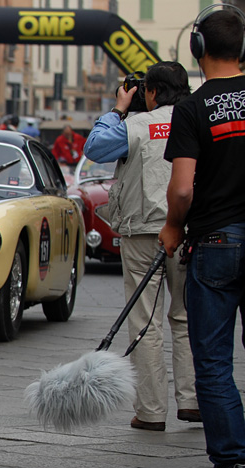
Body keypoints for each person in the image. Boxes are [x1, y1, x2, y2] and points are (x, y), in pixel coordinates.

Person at [84, 61, 198, 433]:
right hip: (188, 230)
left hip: (142, 231)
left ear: (150, 92)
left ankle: (150, 410)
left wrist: (118, 108)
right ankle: (192, 400)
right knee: (186, 317)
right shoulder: (197, 118)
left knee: (145, 321)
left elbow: (96, 147)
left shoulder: (136, 125)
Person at [159, 7, 245, 468]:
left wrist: (173, 227)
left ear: (197, 48)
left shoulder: (192, 108)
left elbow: (184, 188)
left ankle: (232, 466)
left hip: (216, 241)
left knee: (212, 359)